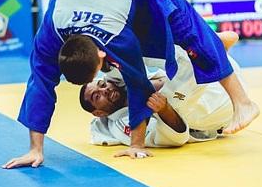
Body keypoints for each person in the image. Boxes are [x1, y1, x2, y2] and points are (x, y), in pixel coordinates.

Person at [2, 0, 259, 169]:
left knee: (181, 23)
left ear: (102, 55)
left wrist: (137, 144)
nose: (102, 81)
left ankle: (243, 102)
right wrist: (35, 148)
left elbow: (138, 85)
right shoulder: (51, 30)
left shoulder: (113, 36)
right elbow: (42, 84)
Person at [84, 38, 244, 148]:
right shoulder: (120, 126)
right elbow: (176, 138)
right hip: (218, 105)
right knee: (167, 100)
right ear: (99, 113)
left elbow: (112, 61)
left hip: (224, 73)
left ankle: (205, 45)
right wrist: (164, 109)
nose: (105, 90)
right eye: (97, 96)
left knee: (134, 56)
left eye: (102, 85)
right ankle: (207, 44)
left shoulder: (115, 83)